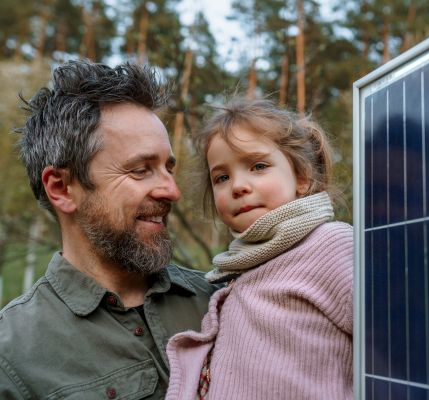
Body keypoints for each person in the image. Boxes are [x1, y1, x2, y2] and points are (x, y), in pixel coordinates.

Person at [0, 60, 220, 399]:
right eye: (140, 169)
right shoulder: (11, 356)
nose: (171, 191)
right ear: (61, 188)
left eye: (168, 168)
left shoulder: (221, 300)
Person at [165, 97, 354, 399]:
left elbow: (399, 341)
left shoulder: (330, 244)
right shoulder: (242, 268)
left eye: (258, 166)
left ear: (302, 178)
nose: (238, 185)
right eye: (222, 177)